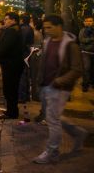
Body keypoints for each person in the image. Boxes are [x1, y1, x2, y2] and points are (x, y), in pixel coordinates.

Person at [33, 15, 87, 164]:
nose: (46, 30)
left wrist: (59, 81)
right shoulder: (47, 41)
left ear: (59, 26)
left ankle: (52, 152)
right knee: (53, 116)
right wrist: (39, 82)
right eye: (45, 27)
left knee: (52, 119)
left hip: (59, 88)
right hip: (45, 85)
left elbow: (77, 70)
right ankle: (78, 133)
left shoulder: (71, 45)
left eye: (49, 27)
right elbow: (44, 64)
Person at [0, 12, 24, 119]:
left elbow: (4, 47)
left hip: (11, 64)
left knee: (10, 89)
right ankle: (11, 111)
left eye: (7, 19)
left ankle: (12, 112)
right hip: (13, 64)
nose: (5, 21)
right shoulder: (15, 29)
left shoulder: (12, 31)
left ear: (13, 20)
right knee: (11, 89)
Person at [19, 13, 34, 102]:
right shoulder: (30, 28)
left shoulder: (23, 29)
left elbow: (22, 43)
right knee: (26, 75)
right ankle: (26, 95)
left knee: (22, 76)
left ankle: (22, 96)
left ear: (22, 20)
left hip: (23, 54)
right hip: (27, 54)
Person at [79, 16, 94, 92]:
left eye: (90, 21)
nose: (89, 22)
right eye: (87, 21)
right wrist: (92, 39)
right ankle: (85, 85)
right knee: (86, 69)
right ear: (84, 22)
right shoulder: (82, 30)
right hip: (85, 52)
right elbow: (82, 40)